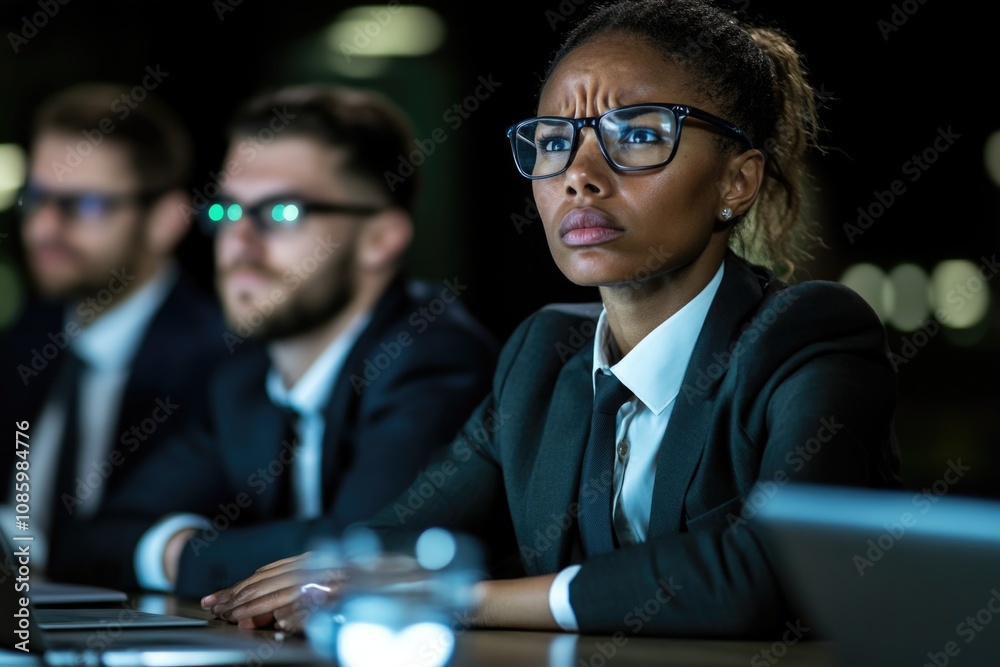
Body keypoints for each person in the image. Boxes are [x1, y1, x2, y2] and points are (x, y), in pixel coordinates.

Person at [198, 0, 903, 638]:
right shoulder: (543, 352)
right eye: (554, 140)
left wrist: (455, 597)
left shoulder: (807, 334)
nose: (580, 174)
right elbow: (395, 536)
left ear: (736, 181)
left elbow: (768, 574)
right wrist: (323, 575)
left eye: (638, 134)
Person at [46, 83, 500, 599]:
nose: (237, 242)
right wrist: (182, 552)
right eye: (225, 211)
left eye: (282, 212)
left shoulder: (434, 358)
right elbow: (88, 540)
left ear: (380, 238)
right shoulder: (241, 382)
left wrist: (192, 556)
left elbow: (368, 556)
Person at [0, 82, 228, 573]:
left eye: (84, 205)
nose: (43, 229)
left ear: (165, 221)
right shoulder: (23, 341)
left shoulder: (223, 364)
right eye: (36, 198)